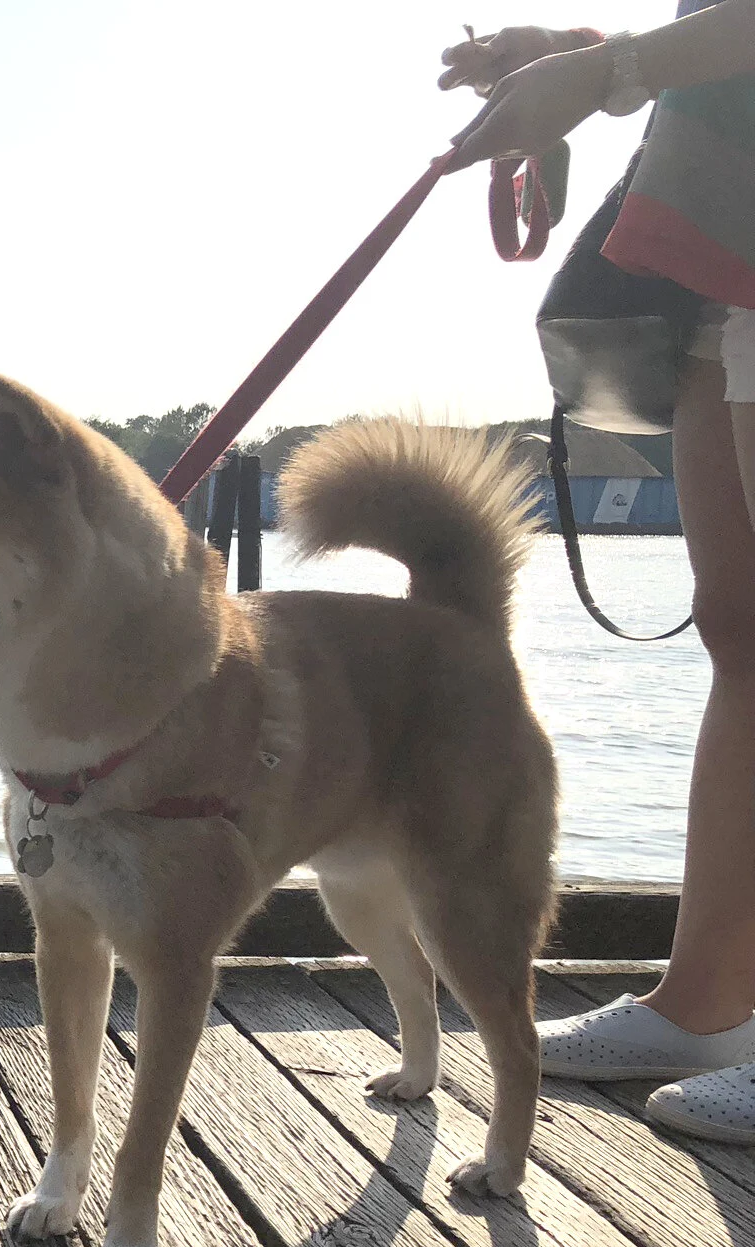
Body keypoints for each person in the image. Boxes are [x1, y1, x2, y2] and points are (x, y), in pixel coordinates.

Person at [442, 1, 755, 1144]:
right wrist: (588, 66)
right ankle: (707, 1002)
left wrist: (609, 70)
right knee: (740, 634)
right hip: (723, 254)